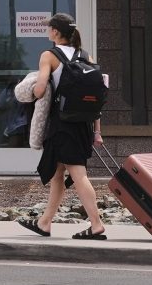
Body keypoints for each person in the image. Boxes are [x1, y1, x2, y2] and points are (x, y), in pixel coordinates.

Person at [18, 13, 108, 240]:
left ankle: (96, 225)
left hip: (62, 125)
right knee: (58, 174)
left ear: (56, 32)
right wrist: (97, 132)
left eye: (50, 29)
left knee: (78, 174)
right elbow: (95, 99)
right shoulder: (86, 56)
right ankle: (45, 223)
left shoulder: (49, 55)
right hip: (82, 125)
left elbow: (39, 90)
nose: (48, 32)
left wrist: (30, 87)